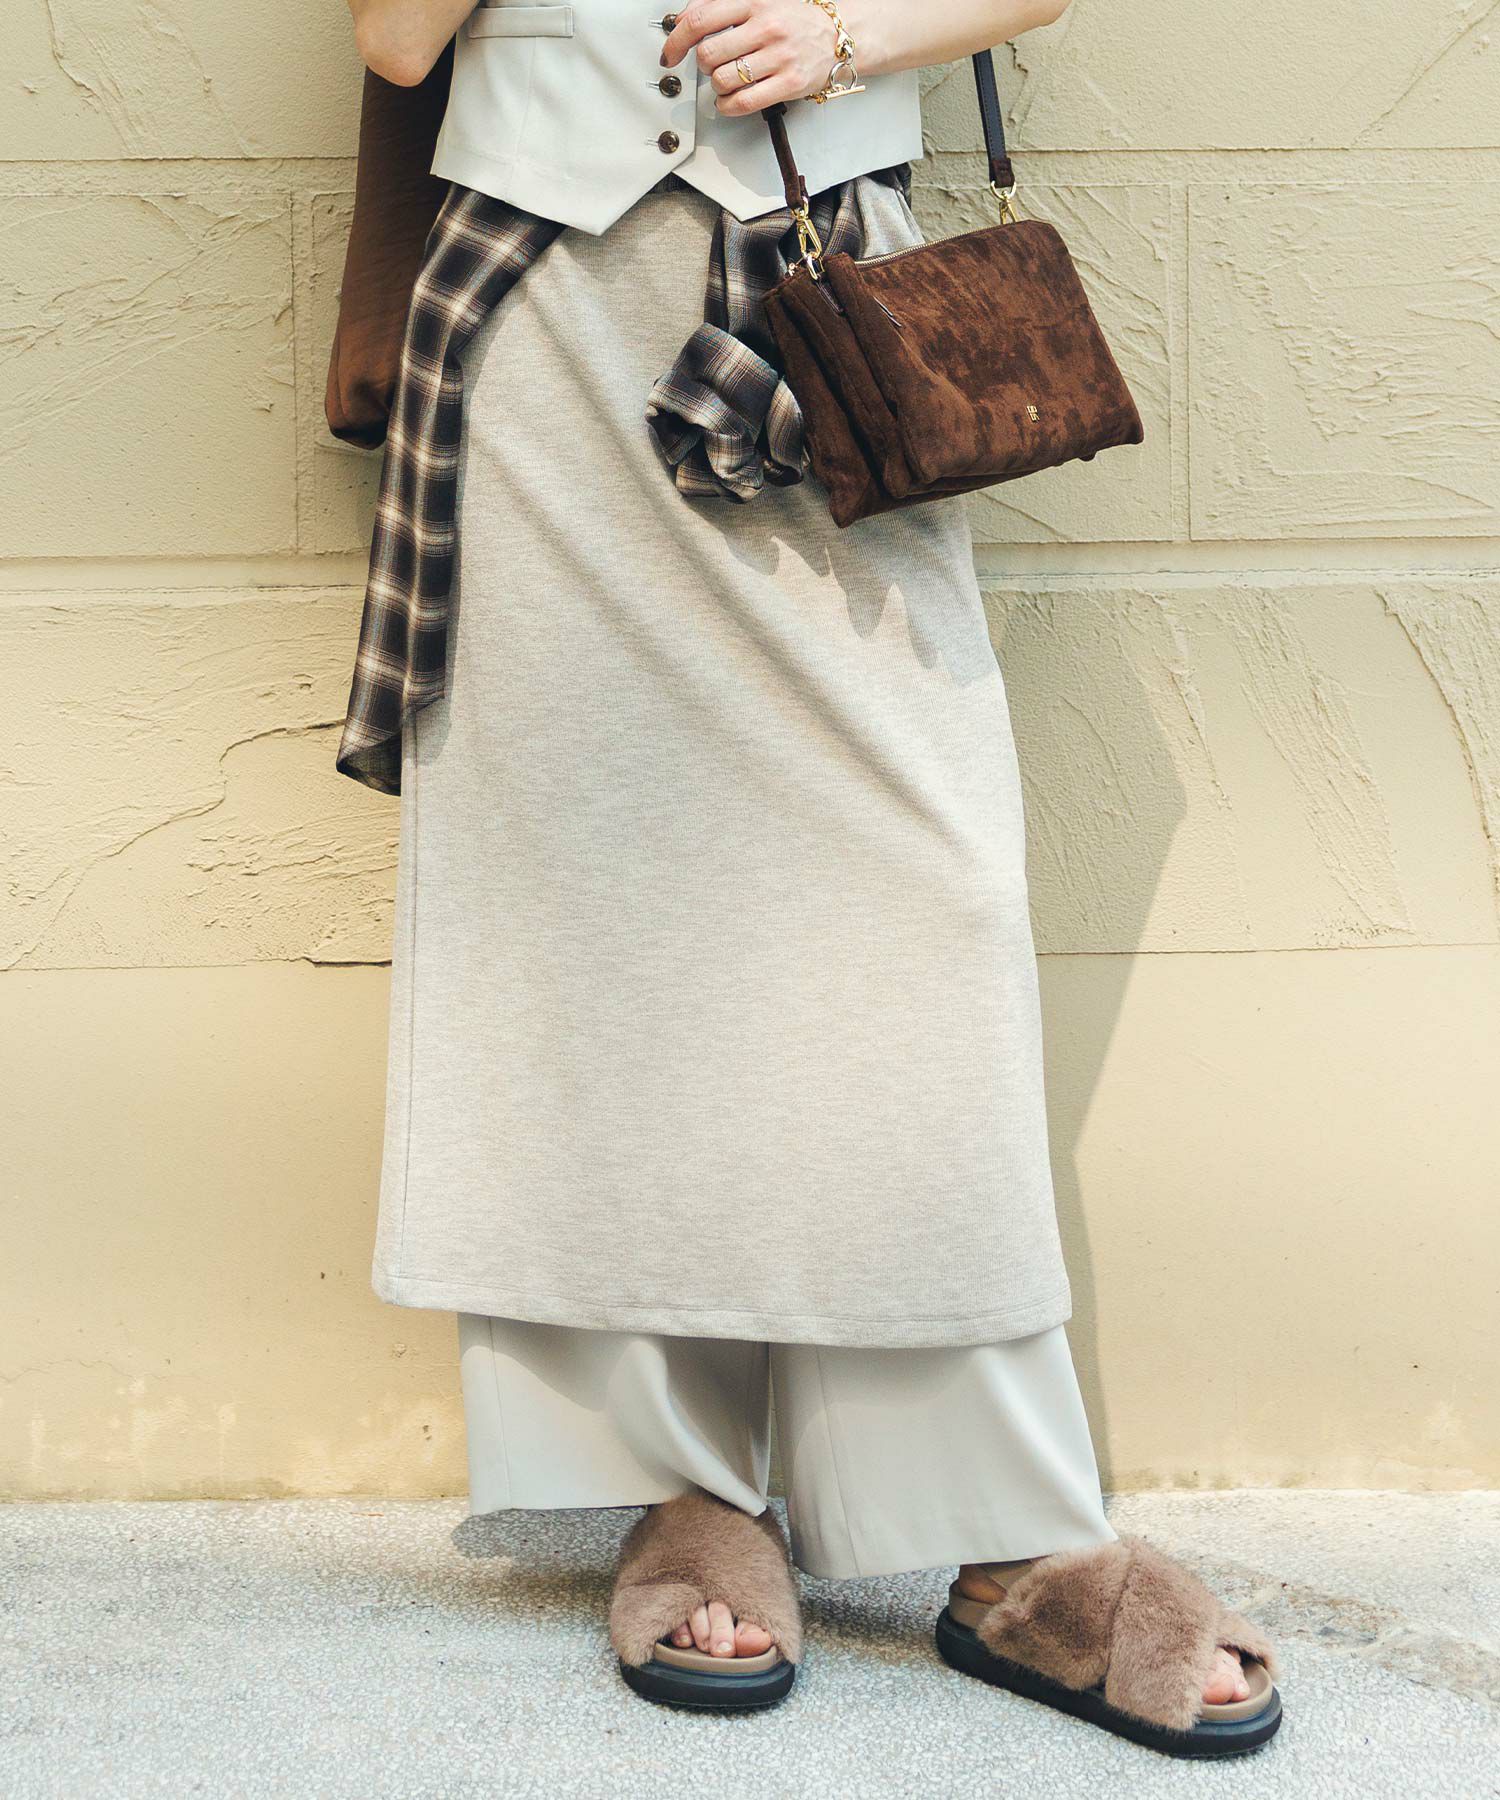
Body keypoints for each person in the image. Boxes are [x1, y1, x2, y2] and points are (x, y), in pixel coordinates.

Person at [336, 0, 1283, 1756]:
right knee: (616, 914)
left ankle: (1015, 1530)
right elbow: (397, 44)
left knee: (928, 899)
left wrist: (849, 31)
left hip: (822, 298)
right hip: (543, 323)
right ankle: (690, 1493)